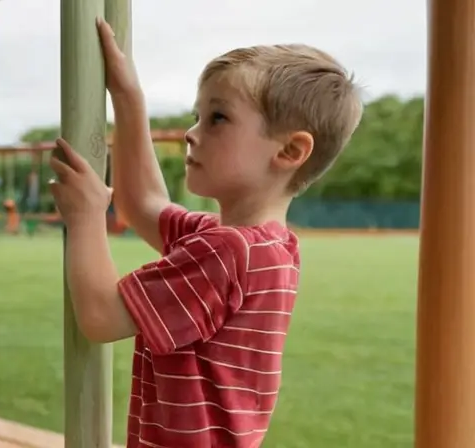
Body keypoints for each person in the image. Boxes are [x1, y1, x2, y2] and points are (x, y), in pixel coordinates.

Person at [48, 17, 363, 448]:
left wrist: (85, 218)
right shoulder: (268, 247)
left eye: (218, 118)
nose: (191, 134)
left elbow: (101, 317)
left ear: (290, 150)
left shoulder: (227, 251)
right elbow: (144, 206)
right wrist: (126, 96)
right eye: (198, 115)